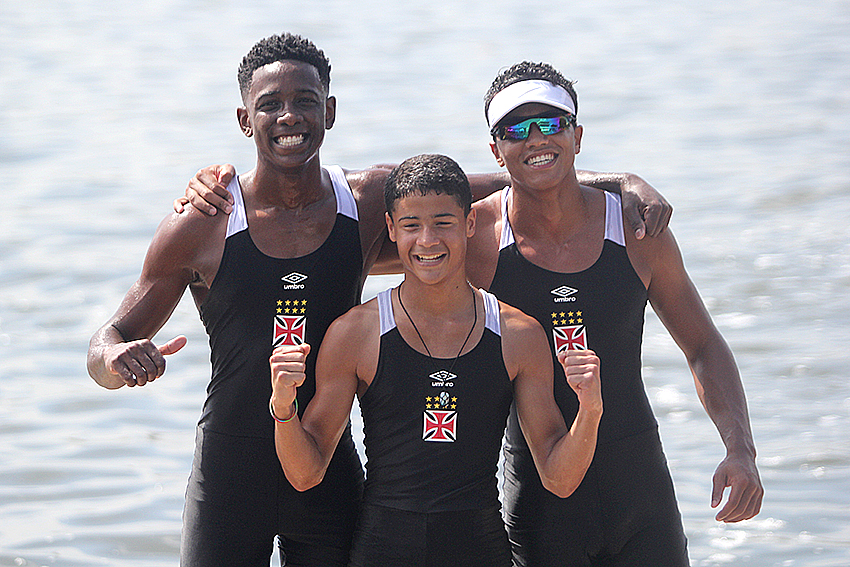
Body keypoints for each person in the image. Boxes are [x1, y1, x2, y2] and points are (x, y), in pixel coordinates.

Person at [88, 32, 668, 566]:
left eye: (305, 101)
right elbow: (106, 344)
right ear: (245, 119)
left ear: (330, 112)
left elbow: (519, 178)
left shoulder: (365, 202)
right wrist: (116, 360)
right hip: (229, 473)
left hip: (327, 468)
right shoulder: (204, 222)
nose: (289, 116)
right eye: (270, 105)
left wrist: (624, 182)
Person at [465, 62, 763, 565]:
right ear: (495, 149)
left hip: (640, 491)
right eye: (515, 129)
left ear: (577, 136)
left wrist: (740, 450)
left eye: (551, 123)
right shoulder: (476, 239)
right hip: (541, 498)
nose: (536, 139)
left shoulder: (637, 228)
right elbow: (404, 207)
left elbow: (702, 345)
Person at [269, 154, 603, 567]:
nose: (427, 240)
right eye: (411, 225)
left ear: (469, 223)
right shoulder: (356, 333)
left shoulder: (518, 335)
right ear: (391, 228)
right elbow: (306, 473)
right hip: (382, 550)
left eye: (443, 223)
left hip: (480, 549)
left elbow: (559, 478)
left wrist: (590, 410)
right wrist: (283, 405)